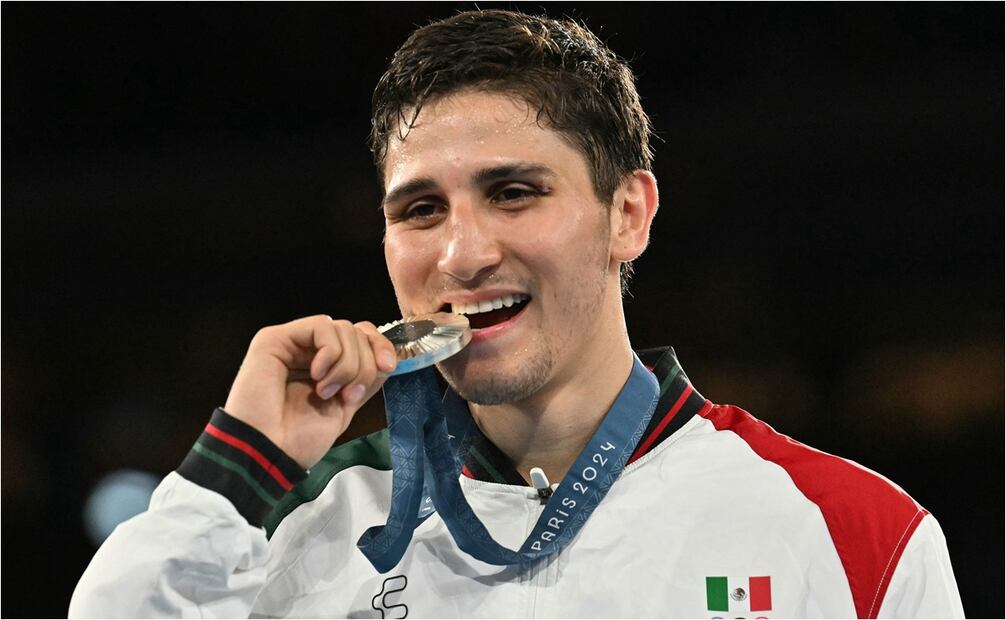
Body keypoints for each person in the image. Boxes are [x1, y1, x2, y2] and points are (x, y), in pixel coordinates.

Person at [70, 9, 964, 618]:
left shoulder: (854, 533)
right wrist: (237, 469)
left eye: (513, 192)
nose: (461, 254)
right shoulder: (293, 525)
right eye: (421, 209)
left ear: (629, 214)